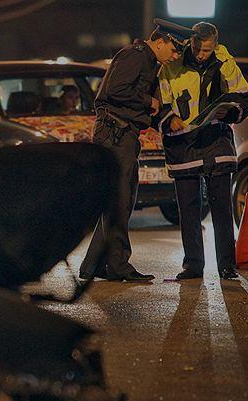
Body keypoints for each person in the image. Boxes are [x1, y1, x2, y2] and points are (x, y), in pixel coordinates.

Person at [79, 20, 183, 282]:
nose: (175, 56)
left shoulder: (149, 61)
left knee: (118, 200)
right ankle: (118, 266)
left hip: (123, 134)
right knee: (120, 201)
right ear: (160, 41)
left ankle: (94, 265)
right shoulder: (135, 56)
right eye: (173, 49)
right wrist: (148, 100)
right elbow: (117, 90)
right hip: (115, 134)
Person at [156, 22, 248, 281]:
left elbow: (244, 97)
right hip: (182, 145)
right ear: (191, 42)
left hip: (215, 141)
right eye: (198, 49)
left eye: (207, 50)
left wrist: (230, 112)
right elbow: (160, 103)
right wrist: (169, 119)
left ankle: (226, 265)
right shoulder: (172, 65)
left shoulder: (225, 62)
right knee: (188, 209)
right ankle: (193, 265)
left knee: (222, 208)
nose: (201, 55)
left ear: (215, 45)